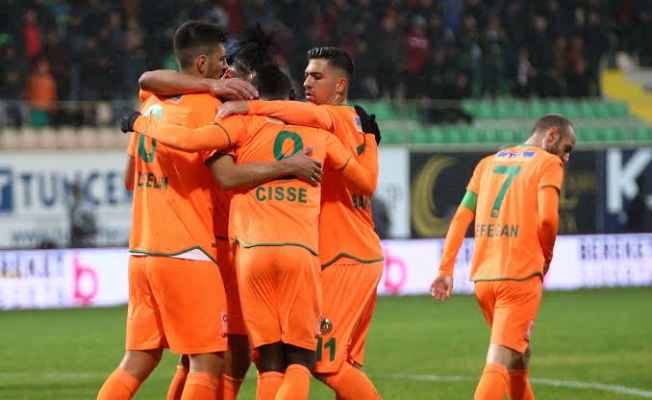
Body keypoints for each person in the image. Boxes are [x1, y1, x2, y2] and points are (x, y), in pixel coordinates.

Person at [122, 63, 379, 400]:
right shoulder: (321, 137)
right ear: (290, 100)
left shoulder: (242, 127)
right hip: (299, 253)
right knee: (300, 361)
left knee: (267, 362)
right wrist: (369, 141)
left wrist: (138, 123)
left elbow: (189, 140)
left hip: (250, 255)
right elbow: (366, 184)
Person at [131, 23, 321, 400]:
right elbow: (227, 175)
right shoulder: (221, 110)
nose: (226, 73)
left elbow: (149, 81)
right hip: (216, 246)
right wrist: (288, 165)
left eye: (231, 68)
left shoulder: (163, 103)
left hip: (187, 243)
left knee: (198, 357)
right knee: (223, 356)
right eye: (223, 64)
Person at [217, 46, 384, 400]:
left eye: (316, 76)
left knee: (320, 362)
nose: (307, 82)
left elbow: (296, 110)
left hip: (344, 255)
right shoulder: (354, 123)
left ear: (340, 85)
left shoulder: (332, 117)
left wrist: (251, 106)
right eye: (306, 74)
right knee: (337, 363)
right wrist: (370, 142)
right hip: (355, 253)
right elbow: (368, 182)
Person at [429, 114, 576, 400]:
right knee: (499, 360)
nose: (566, 157)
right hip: (520, 277)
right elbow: (548, 219)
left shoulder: (487, 163)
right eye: (566, 148)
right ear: (551, 135)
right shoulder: (548, 163)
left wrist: (446, 269)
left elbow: (461, 218)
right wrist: (546, 256)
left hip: (485, 279)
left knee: (520, 354)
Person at [68, 183, 98, 248]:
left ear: (79, 192)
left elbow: (92, 222)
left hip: (85, 236)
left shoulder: (85, 206)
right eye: (72, 192)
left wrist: (92, 232)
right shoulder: (72, 205)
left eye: (75, 191)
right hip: (75, 237)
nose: (73, 194)